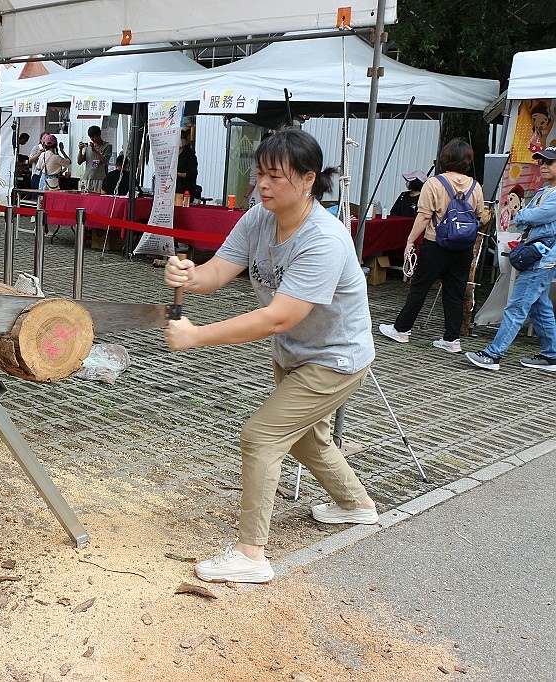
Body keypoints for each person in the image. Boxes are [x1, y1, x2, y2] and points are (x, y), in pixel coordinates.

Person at [164, 128, 378, 584]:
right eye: (259, 173)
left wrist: (197, 335)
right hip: (295, 352)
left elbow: (278, 316)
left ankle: (251, 555)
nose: (262, 184)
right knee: (306, 437)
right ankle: (357, 506)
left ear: (307, 180)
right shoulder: (259, 218)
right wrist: (186, 273)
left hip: (335, 357)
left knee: (260, 437)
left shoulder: (325, 240)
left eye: (275, 176)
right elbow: (218, 272)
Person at [379, 139, 485, 353]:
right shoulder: (476, 186)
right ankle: (452, 340)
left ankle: (401, 329)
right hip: (463, 248)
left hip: (435, 245)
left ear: (445, 157)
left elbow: (424, 216)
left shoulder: (434, 183)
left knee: (420, 288)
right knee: (455, 293)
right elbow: (480, 216)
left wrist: (409, 241)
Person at [466, 145, 556, 372]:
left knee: (517, 306)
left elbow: (531, 215)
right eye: (541, 162)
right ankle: (551, 355)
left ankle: (493, 354)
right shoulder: (544, 191)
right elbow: (526, 218)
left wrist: (524, 215)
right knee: (539, 306)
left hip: (542, 257)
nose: (543, 166)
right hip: (540, 256)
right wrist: (526, 216)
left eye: (549, 162)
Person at [77, 125, 112, 193]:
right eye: (90, 137)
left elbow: (105, 160)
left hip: (100, 178)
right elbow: (79, 161)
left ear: (99, 134)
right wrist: (80, 150)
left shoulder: (107, 146)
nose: (92, 139)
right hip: (87, 178)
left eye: (93, 137)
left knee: (98, 199)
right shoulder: (88, 147)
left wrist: (95, 151)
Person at [243, 131, 274, 206]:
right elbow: (253, 179)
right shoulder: (258, 159)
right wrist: (245, 197)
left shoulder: (279, 160)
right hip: (258, 197)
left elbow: (253, 180)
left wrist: (245, 197)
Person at [175, 130, 198, 206]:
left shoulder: (190, 156)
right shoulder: (173, 154)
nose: (180, 140)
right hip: (173, 188)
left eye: (182, 138)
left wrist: (177, 174)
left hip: (185, 189)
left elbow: (192, 174)